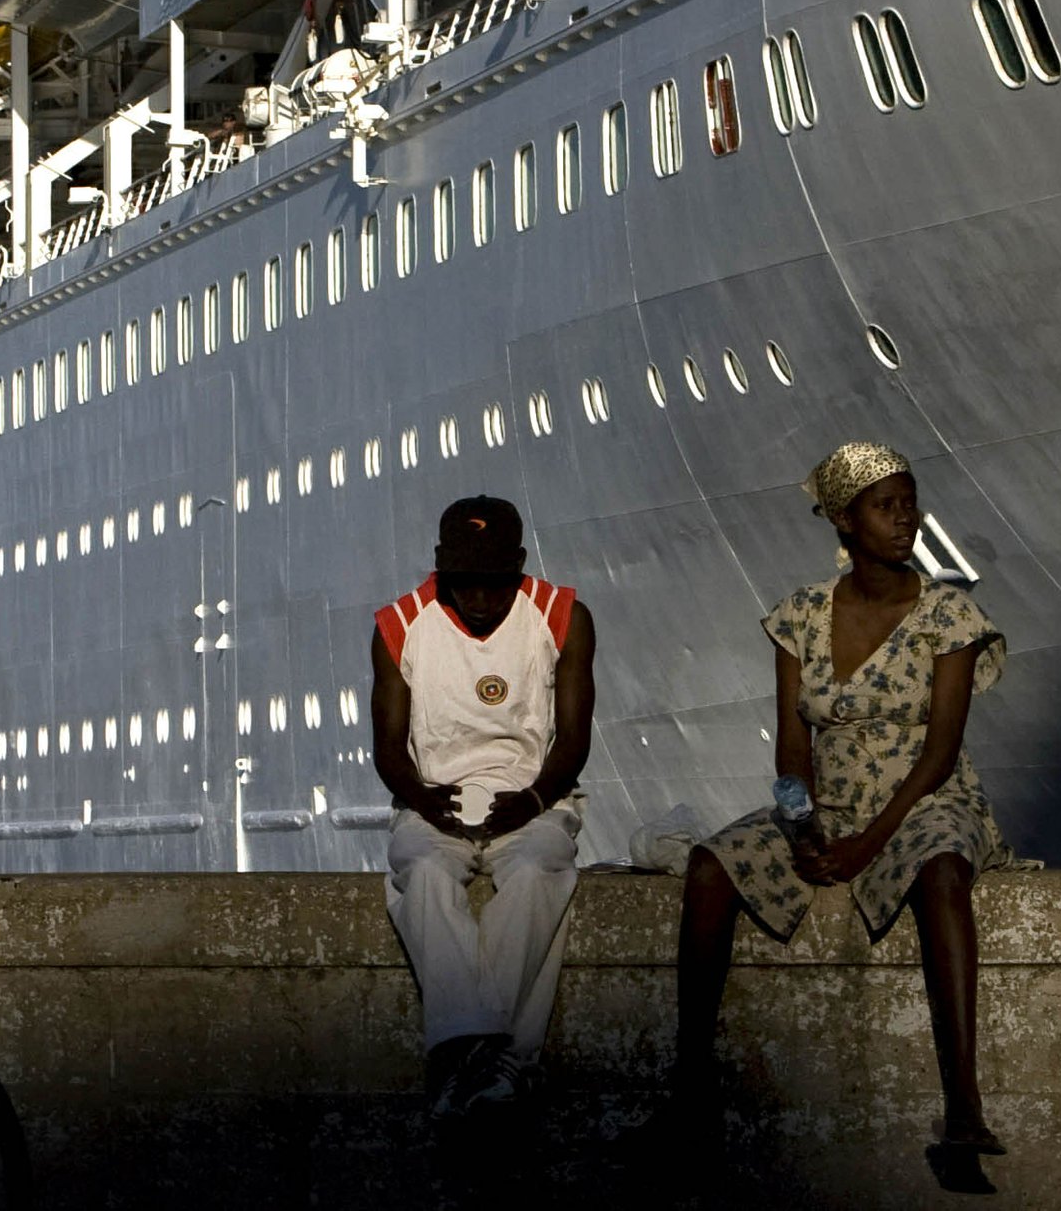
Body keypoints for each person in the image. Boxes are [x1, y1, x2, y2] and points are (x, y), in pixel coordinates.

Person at [668, 442, 1024, 1195]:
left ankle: (963, 1101)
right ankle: (689, 1086)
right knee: (710, 864)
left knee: (942, 871)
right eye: (886, 506)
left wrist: (871, 838)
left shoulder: (947, 614)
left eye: (909, 502)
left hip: (924, 798)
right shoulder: (800, 615)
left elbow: (940, 749)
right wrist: (801, 826)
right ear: (844, 520)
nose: (907, 519)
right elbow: (793, 750)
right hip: (826, 802)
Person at [371, 495, 598, 1121]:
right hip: (432, 798)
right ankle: (503, 1061)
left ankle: (464, 1058)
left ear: (519, 566)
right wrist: (424, 802)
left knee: (539, 868)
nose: (478, 599)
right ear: (441, 568)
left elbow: (573, 739)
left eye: (494, 584)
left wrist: (530, 801)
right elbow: (388, 749)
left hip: (533, 797)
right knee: (422, 870)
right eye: (463, 583)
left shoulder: (563, 616)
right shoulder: (399, 624)